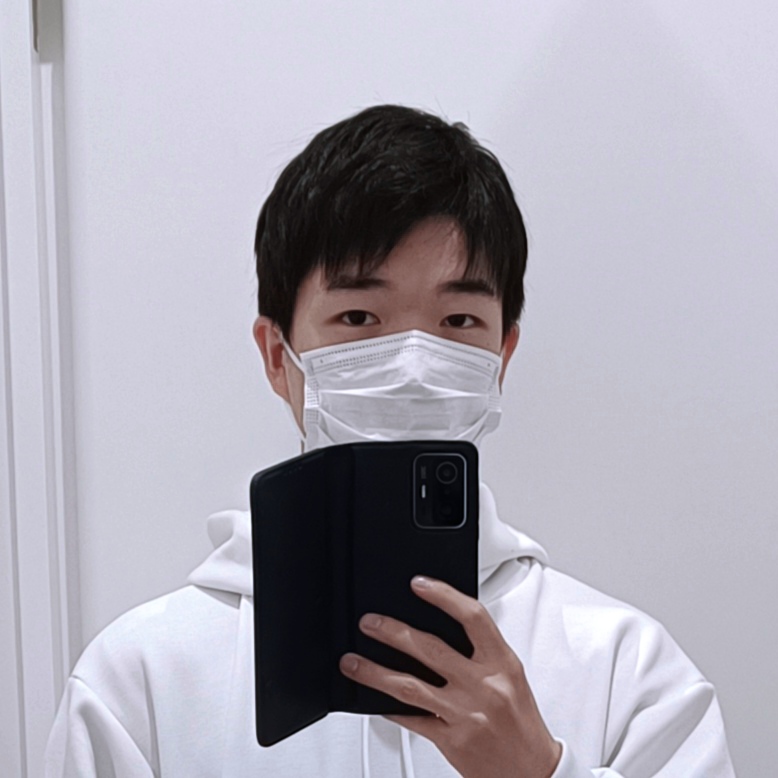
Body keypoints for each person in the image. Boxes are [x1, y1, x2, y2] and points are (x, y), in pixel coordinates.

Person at [45, 105, 736, 777]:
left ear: (502, 356)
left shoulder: (625, 669)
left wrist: (537, 774)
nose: (412, 362)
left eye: (458, 320)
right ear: (278, 357)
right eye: (358, 316)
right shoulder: (142, 680)